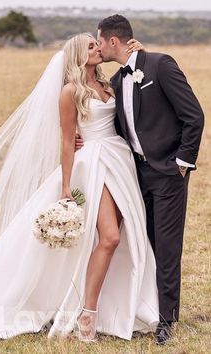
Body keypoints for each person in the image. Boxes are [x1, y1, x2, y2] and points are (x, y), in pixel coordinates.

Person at [0, 33, 159, 342]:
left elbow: (133, 94)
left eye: (96, 43)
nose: (97, 48)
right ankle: (87, 315)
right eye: (90, 46)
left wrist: (139, 54)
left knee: (122, 236)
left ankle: (113, 306)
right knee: (110, 237)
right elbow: (66, 140)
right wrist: (65, 187)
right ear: (77, 55)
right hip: (92, 166)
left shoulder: (107, 84)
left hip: (119, 162)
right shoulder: (70, 92)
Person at [76, 15, 204, 344]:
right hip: (133, 174)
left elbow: (194, 115)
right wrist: (82, 138)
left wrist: (182, 162)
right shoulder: (116, 82)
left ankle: (166, 319)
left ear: (113, 42)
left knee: (166, 245)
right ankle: (141, 307)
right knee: (142, 243)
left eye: (100, 41)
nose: (98, 46)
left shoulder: (160, 65)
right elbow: (106, 119)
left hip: (167, 174)